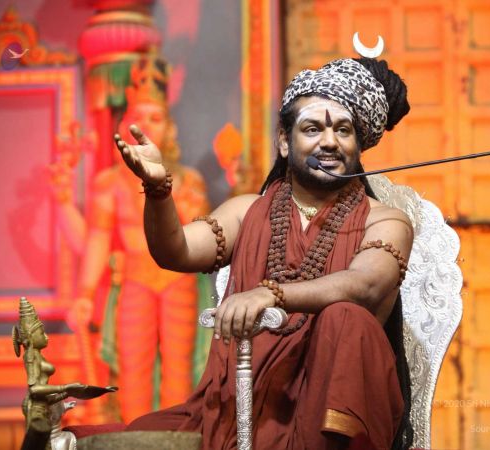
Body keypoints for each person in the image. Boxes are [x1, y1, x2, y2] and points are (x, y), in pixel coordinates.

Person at [112, 56, 413, 449]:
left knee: (346, 317)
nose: (329, 141)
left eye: (343, 130)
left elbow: (364, 285)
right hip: (239, 404)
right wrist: (157, 191)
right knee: (119, 440)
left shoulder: (386, 221)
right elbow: (176, 252)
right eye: (313, 128)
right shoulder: (247, 211)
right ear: (284, 142)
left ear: (358, 145)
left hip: (333, 418)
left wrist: (270, 294)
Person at [64, 54, 210, 422]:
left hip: (178, 281)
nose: (145, 126)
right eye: (137, 118)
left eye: (155, 118)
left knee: (178, 368)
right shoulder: (110, 184)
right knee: (132, 369)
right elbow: (98, 240)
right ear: (124, 124)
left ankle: (173, 441)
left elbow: (202, 238)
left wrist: (186, 203)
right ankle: (136, 438)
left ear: (169, 129)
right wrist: (85, 293)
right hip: (134, 280)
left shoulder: (189, 181)